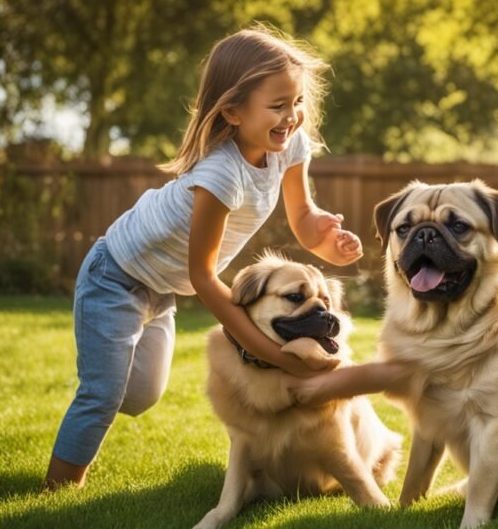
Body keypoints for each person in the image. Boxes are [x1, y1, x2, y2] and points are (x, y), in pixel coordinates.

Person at [44, 25, 363, 490]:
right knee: (103, 394)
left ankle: (106, 378)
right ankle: (57, 490)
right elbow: (206, 277)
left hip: (163, 291)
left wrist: (327, 241)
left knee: (140, 398)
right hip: (114, 276)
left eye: (296, 102)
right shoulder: (219, 174)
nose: (292, 116)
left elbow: (303, 215)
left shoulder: (289, 145)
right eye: (277, 106)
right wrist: (274, 354)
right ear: (232, 111)